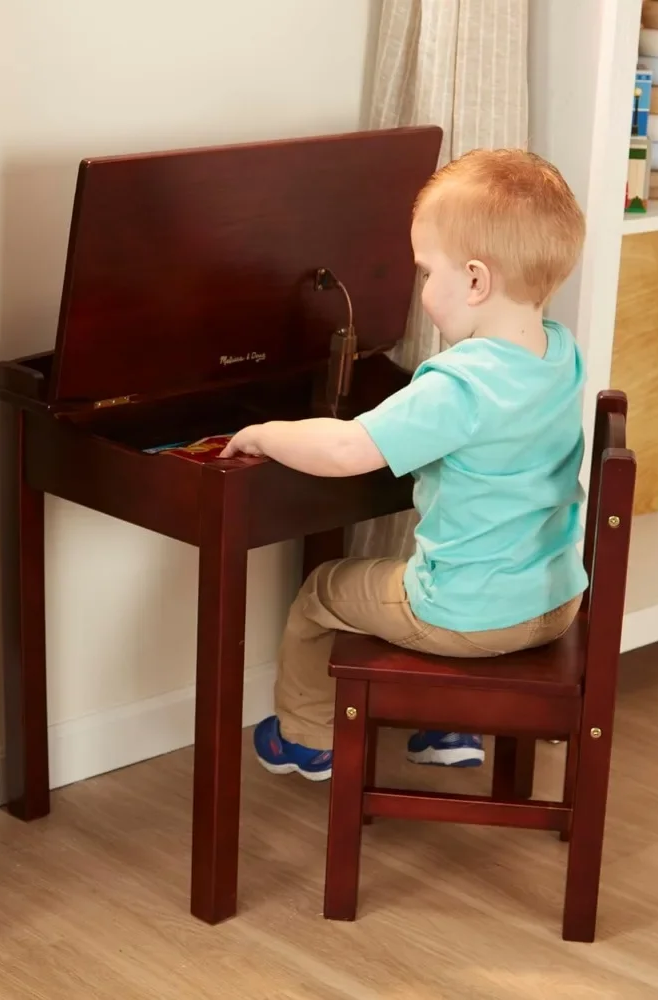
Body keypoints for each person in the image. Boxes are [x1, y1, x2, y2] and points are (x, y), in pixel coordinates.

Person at [219, 148, 588, 781]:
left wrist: (266, 433)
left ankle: (305, 738)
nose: (420, 290)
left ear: (474, 281)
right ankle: (449, 724)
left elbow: (347, 450)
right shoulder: (558, 352)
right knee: (422, 570)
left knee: (322, 592)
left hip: (471, 614)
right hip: (554, 599)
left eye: (425, 272)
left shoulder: (459, 384)